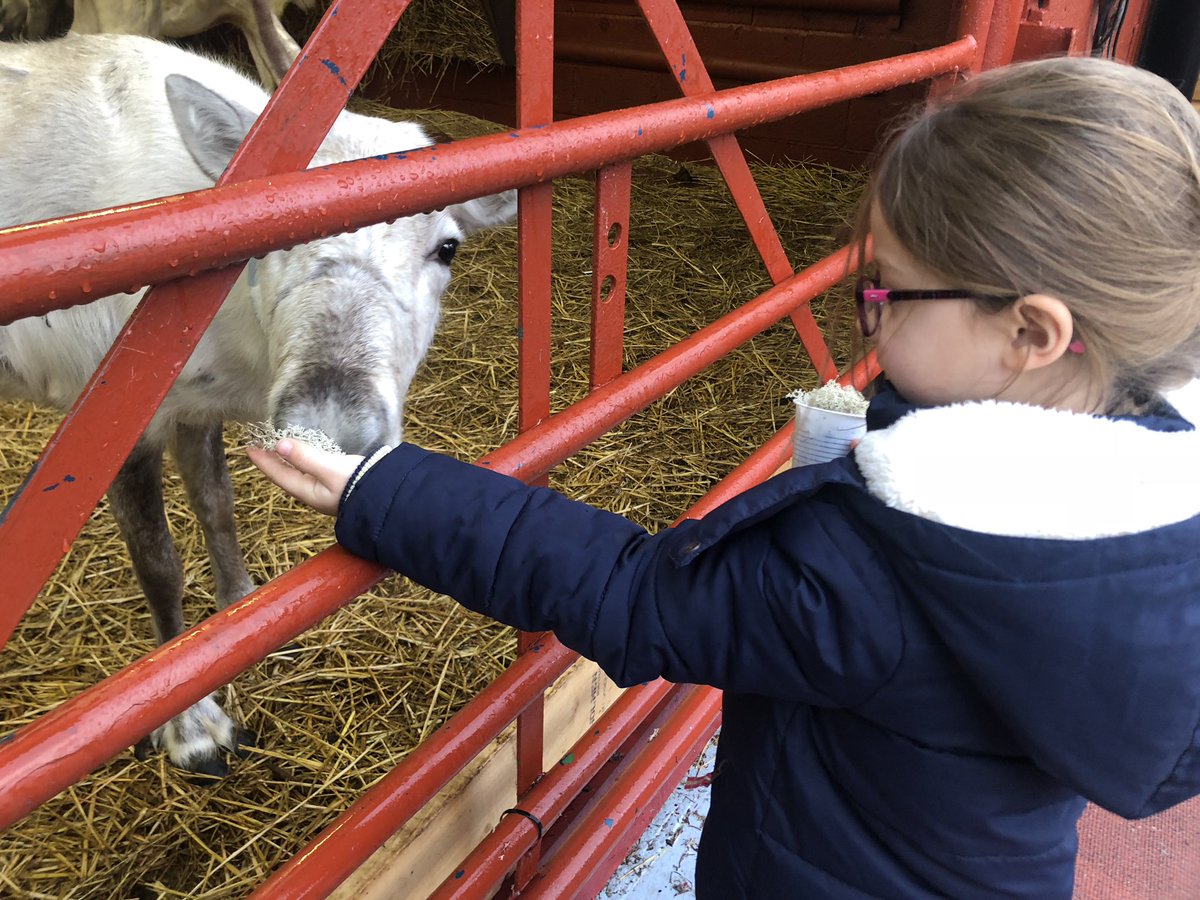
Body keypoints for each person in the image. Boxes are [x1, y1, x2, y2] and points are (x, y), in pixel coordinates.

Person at [248, 55, 1200, 898]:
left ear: (1030, 334)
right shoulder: (1152, 528)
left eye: (885, 292)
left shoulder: (870, 574)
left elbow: (636, 594)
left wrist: (390, 492)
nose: (864, 313)